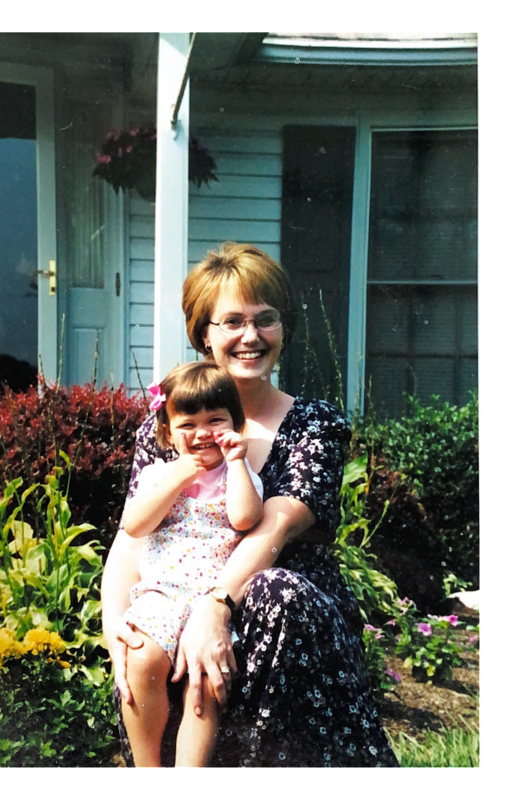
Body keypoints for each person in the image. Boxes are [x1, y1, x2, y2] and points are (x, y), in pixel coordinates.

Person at [101, 242, 399, 767]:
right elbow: (135, 534)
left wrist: (214, 609)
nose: (250, 336)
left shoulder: (314, 425)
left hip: (281, 619)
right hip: (175, 603)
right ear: (204, 333)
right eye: (232, 321)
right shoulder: (170, 427)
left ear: (283, 329)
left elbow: (271, 530)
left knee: (274, 587)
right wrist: (114, 629)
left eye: (265, 320)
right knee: (143, 648)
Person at [119, 361, 264, 767]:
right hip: (162, 594)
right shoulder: (158, 475)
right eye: (188, 424)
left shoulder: (242, 474)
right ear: (167, 431)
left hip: (212, 603)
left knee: (203, 687)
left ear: (236, 426)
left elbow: (244, 519)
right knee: (143, 659)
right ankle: (148, 772)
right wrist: (178, 477)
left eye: (215, 421)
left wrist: (236, 462)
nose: (202, 434)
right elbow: (134, 524)